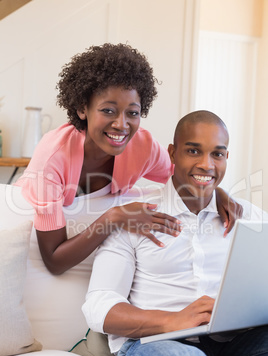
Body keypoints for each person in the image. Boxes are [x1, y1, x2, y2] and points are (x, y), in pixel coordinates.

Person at [82, 110, 268, 356]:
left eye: (217, 155)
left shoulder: (247, 218)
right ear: (172, 152)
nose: (206, 165)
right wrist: (172, 320)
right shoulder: (136, 216)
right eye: (194, 151)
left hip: (235, 351)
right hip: (157, 348)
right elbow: (99, 306)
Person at [16, 44, 241, 275]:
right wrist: (114, 217)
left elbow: (186, 173)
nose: (121, 125)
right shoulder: (52, 160)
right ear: (83, 109)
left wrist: (218, 192)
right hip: (24, 228)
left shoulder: (142, 146)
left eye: (132, 113)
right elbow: (55, 261)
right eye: (108, 110)